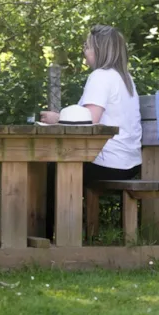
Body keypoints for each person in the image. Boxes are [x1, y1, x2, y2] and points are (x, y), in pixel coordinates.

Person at [39, 24, 142, 239]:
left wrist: (56, 118)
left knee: (49, 170)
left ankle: (46, 237)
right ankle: (50, 235)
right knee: (53, 167)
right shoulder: (124, 78)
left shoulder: (101, 76)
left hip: (109, 162)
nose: (84, 52)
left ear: (100, 50)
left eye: (87, 46)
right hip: (130, 162)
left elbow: (88, 120)